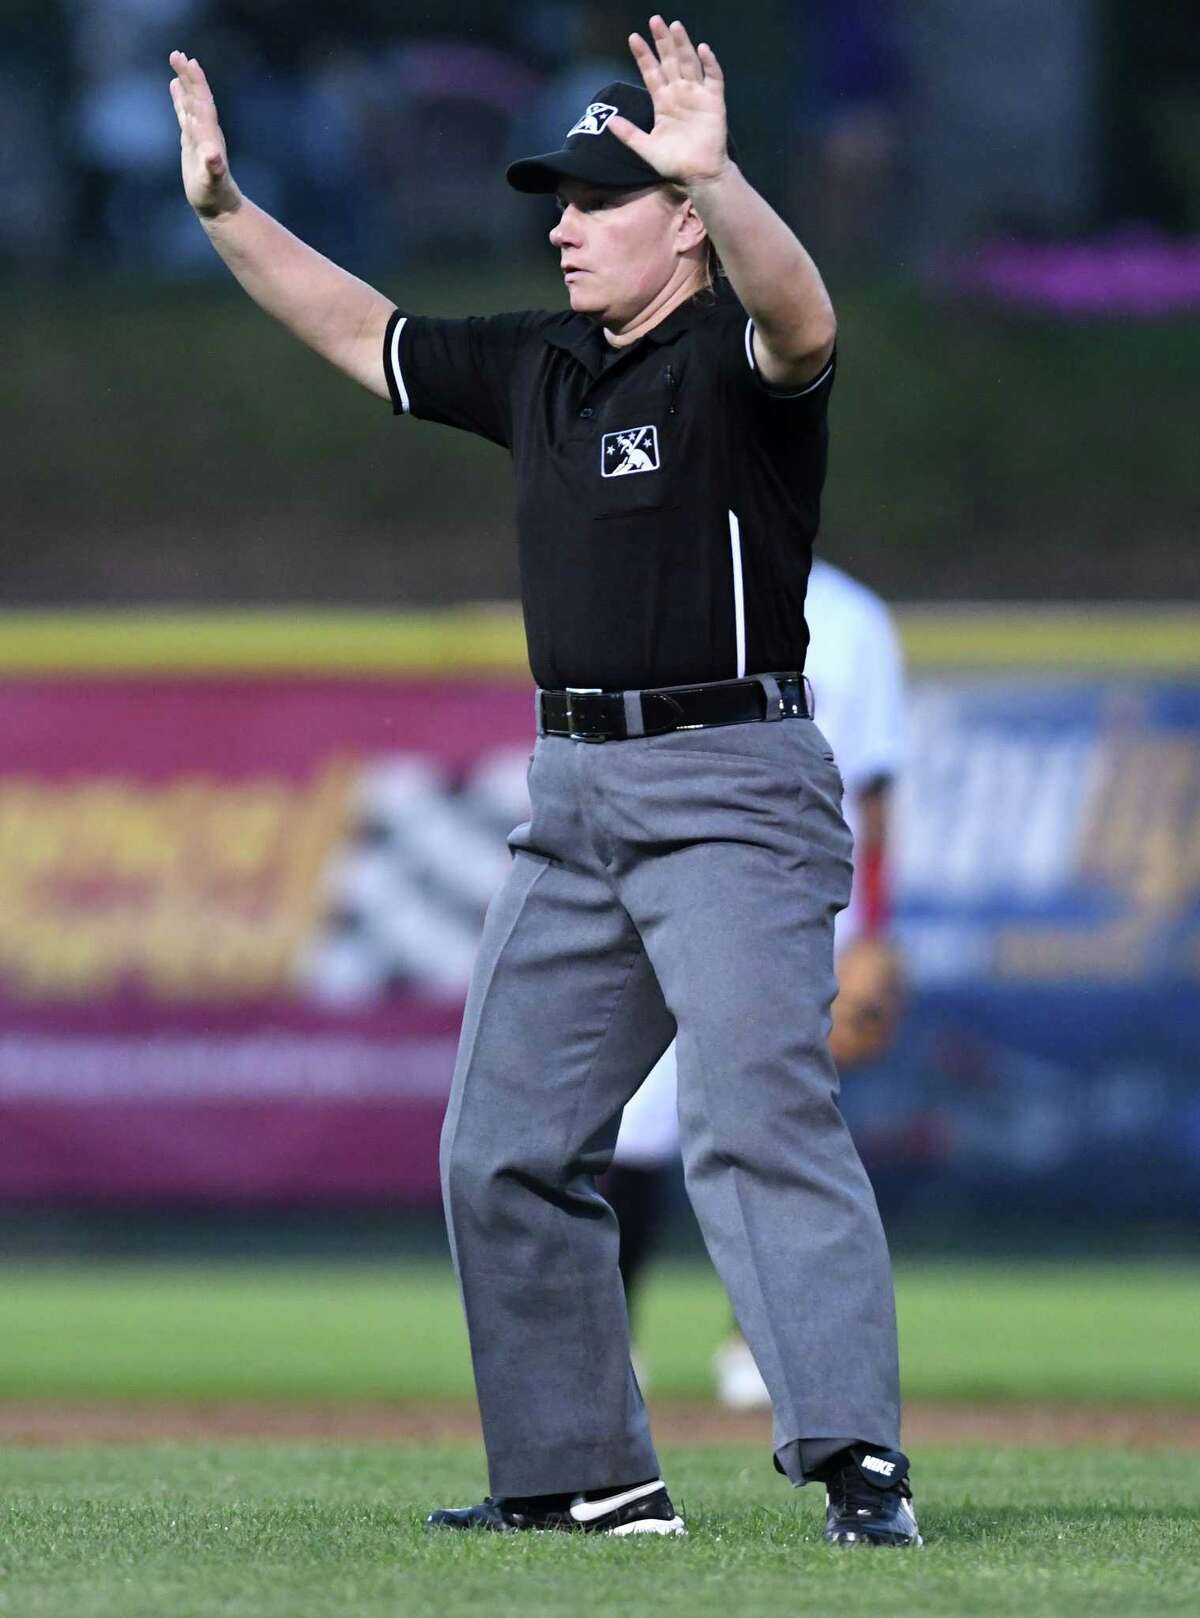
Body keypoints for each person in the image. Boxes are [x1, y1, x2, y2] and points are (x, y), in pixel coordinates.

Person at [168, 14, 921, 1547]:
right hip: (571, 794)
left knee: (751, 1112)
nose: (565, 224)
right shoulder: (543, 364)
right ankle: (587, 1476)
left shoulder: (735, 358)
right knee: (497, 1144)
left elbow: (807, 312)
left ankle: (859, 1463)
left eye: (599, 199)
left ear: (686, 230)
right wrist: (232, 216)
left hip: (728, 781)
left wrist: (723, 181)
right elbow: (362, 331)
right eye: (558, 202)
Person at [607, 557, 907, 1409]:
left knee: (775, 1116)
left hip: (808, 890)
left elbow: (877, 796)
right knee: (639, 1117)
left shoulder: (855, 619)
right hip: (674, 875)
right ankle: (613, 1345)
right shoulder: (671, 575)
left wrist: (875, 936)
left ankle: (766, 1345)